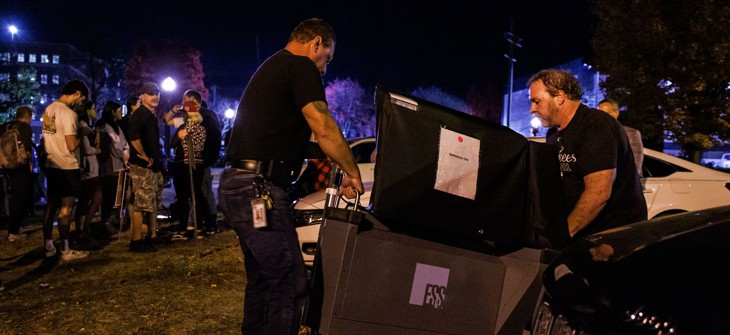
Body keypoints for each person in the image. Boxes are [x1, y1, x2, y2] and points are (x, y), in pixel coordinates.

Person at [218, 18, 363, 335]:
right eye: (327, 58)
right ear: (316, 44)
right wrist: (353, 172)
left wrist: (327, 154)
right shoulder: (301, 66)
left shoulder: (276, 67)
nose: (325, 69)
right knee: (290, 281)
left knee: (263, 278)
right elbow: (322, 125)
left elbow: (280, 139)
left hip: (241, 184)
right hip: (259, 189)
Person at [527, 69, 646, 239]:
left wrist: (564, 234)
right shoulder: (553, 134)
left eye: (536, 101)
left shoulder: (596, 125)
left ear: (559, 97)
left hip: (613, 235)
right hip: (583, 231)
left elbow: (599, 192)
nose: (532, 109)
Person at [40, 79, 90, 261]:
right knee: (66, 209)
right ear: (77, 93)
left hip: (51, 164)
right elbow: (71, 145)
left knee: (51, 205)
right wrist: (82, 135)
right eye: (82, 99)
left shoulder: (49, 109)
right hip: (67, 166)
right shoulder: (69, 114)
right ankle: (65, 248)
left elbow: (49, 136)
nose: (81, 103)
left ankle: (47, 244)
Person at [126, 82, 164, 253]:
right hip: (142, 167)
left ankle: (151, 236)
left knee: (151, 202)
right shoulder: (141, 114)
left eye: (157, 93)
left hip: (152, 167)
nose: (155, 96)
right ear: (142, 95)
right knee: (141, 204)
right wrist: (144, 156)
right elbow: (133, 137)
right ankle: (136, 241)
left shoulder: (149, 115)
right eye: (151, 93)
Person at [168, 94, 208, 239]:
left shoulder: (185, 128)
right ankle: (198, 226)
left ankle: (183, 228)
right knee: (195, 195)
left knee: (183, 197)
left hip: (184, 163)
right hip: (198, 164)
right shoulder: (202, 128)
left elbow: (172, 144)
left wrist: (179, 136)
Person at [0, 106, 34, 242]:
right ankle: (13, 232)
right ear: (27, 117)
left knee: (15, 194)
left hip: (6, 165)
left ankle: (17, 227)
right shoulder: (24, 127)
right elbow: (27, 147)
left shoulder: (4, 126)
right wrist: (31, 163)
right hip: (20, 165)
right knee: (19, 196)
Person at [97, 101, 129, 234]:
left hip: (120, 165)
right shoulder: (105, 127)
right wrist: (122, 155)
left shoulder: (117, 127)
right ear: (112, 112)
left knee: (118, 193)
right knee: (109, 194)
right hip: (110, 166)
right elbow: (115, 146)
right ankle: (105, 221)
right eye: (118, 110)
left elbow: (124, 144)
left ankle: (115, 217)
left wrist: (125, 157)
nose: (121, 113)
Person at [74, 101, 104, 240]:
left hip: (92, 168)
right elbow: (86, 149)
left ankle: (83, 228)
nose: (95, 111)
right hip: (89, 168)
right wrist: (98, 151)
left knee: (88, 198)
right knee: (94, 197)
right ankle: (83, 227)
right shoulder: (83, 126)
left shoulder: (89, 126)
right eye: (93, 108)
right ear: (87, 111)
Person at [597, 99, 644, 177]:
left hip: (623, 184)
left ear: (617, 113)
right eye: (600, 113)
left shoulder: (631, 134)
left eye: (607, 113)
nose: (603, 117)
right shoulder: (595, 133)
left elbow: (635, 166)